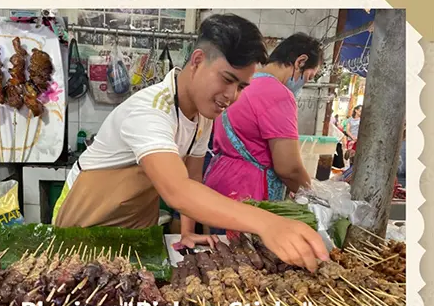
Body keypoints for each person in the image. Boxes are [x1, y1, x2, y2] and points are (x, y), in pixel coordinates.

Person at [53, 15, 328, 272]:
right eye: (227, 79)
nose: (231, 96)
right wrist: (268, 223)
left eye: (241, 86)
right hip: (87, 223)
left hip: (135, 228)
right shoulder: (150, 110)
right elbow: (177, 191)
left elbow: (192, 179)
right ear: (197, 60)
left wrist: (187, 232)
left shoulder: (201, 115)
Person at [203, 33, 324, 209]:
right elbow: (289, 168)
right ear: (300, 62)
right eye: (309, 77)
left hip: (217, 184)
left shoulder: (244, 84)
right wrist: (315, 198)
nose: (304, 84)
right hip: (247, 192)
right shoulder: (279, 94)